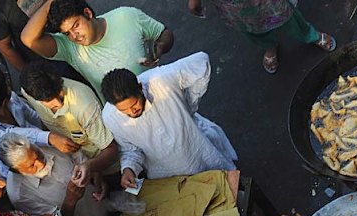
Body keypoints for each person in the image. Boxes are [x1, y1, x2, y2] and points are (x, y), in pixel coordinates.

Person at [101, 52, 237, 188]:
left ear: (140, 88)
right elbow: (130, 149)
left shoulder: (161, 80)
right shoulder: (110, 118)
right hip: (166, 176)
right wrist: (128, 169)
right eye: (123, 110)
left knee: (228, 189)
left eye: (134, 104)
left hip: (199, 156)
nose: (131, 112)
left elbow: (201, 61)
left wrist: (189, 105)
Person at [21, 0, 174, 102]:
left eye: (75, 26)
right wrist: (50, 2)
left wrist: (158, 48)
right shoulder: (69, 48)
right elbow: (28, 39)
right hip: (126, 121)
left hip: (163, 98)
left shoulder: (126, 16)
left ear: (88, 13)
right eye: (67, 33)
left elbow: (164, 33)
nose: (74, 36)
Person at [21, 61, 120, 185]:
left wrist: (89, 166)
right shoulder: (28, 93)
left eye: (59, 94)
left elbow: (112, 150)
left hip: (109, 168)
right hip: (79, 164)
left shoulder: (84, 106)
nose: (57, 103)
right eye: (48, 100)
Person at [0, 67, 78, 179]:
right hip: (31, 176)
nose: (9, 86)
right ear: (3, 102)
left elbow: (33, 116)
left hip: (48, 153)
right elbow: (13, 136)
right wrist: (50, 138)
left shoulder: (12, 99)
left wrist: (55, 132)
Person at [187, 0, 336, 74]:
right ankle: (269, 46)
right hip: (234, 6)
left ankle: (310, 35)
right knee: (251, 27)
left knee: (287, 17)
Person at [0, 133, 107, 216]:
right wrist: (70, 200)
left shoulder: (46, 145)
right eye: (32, 166)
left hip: (102, 203)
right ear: (16, 170)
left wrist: (93, 171)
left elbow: (77, 156)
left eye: (39, 155)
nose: (41, 163)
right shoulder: (19, 195)